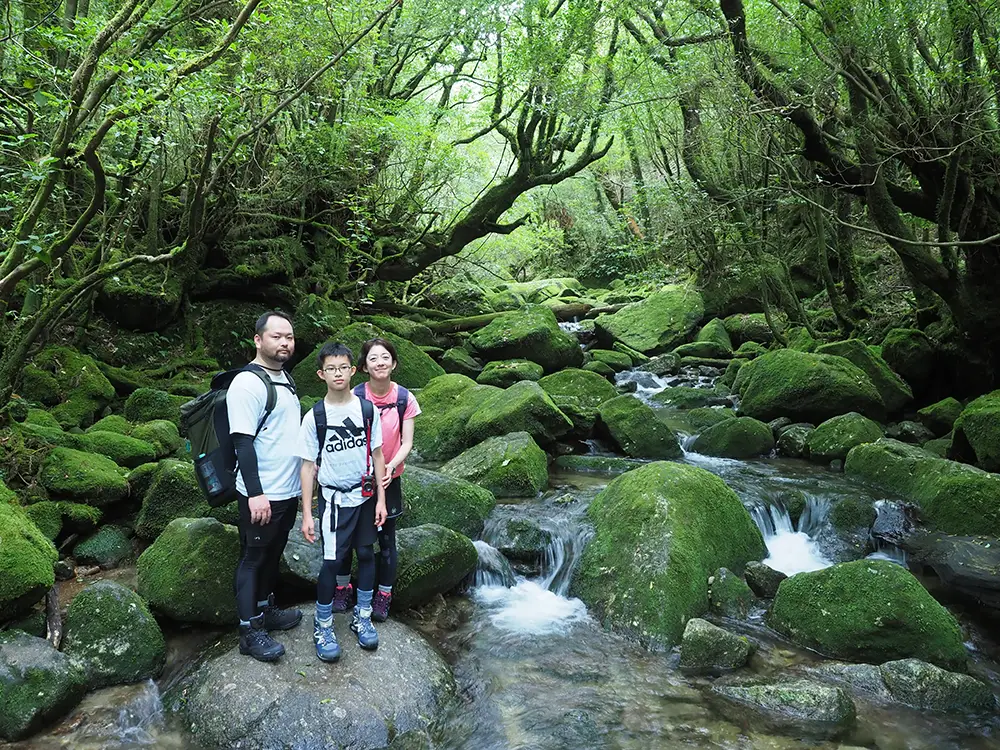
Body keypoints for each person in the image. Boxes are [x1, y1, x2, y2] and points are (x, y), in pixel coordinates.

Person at [298, 342, 387, 662]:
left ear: (352, 371)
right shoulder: (315, 416)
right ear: (321, 374)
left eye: (343, 368)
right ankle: (323, 624)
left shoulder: (367, 410)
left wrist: (381, 499)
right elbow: (307, 466)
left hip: (364, 497)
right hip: (334, 500)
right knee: (333, 562)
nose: (338, 374)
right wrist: (307, 513)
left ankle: (362, 616)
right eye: (331, 369)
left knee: (366, 554)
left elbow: (378, 455)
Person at [228, 310, 303, 662]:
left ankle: (264, 609)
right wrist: (256, 494)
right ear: (258, 340)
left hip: (287, 489)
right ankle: (248, 631)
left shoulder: (285, 378)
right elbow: (242, 443)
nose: (284, 342)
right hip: (261, 492)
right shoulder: (247, 383)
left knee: (274, 554)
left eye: (289, 337)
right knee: (253, 558)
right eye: (277, 336)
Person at [332, 338, 420, 622]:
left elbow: (407, 442)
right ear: (363, 367)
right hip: (357, 479)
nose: (380, 363)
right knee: (349, 537)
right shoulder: (355, 396)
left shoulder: (405, 398)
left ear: (394, 364)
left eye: (385, 358)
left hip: (390, 478)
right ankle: (343, 587)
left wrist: (391, 466)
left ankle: (384, 594)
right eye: (373, 358)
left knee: (387, 539)